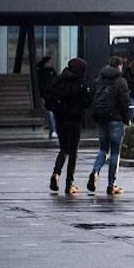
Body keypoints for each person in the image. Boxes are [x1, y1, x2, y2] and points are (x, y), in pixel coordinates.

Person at [45, 57, 92, 195]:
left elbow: (49, 97)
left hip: (60, 120)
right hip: (74, 121)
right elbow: (87, 101)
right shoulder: (80, 82)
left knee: (63, 149)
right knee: (73, 152)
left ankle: (56, 173)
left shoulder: (59, 80)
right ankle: (69, 184)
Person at [88, 56, 130, 196]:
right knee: (115, 153)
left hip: (101, 119)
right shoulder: (121, 81)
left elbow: (92, 97)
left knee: (103, 150)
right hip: (116, 120)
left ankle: (95, 171)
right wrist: (126, 119)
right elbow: (124, 103)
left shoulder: (98, 80)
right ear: (119, 66)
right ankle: (112, 185)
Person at [36, 55, 58, 138]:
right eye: (49, 62)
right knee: (51, 113)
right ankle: (53, 130)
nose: (51, 63)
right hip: (45, 96)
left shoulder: (51, 70)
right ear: (46, 63)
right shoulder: (40, 72)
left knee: (53, 113)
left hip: (52, 96)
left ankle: (54, 131)